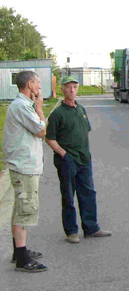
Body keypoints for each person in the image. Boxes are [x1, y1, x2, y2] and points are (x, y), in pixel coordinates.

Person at [45, 76, 111, 244]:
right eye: (69, 87)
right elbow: (49, 138)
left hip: (84, 159)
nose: (72, 90)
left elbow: (84, 131)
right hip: (67, 160)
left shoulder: (81, 109)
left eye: (75, 87)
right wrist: (63, 154)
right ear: (62, 89)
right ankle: (71, 231)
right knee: (68, 195)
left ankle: (91, 228)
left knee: (88, 193)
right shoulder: (57, 113)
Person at [2, 70, 48, 272]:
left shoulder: (21, 106)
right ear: (30, 85)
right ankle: (22, 258)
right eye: (37, 83)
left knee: (20, 208)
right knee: (25, 210)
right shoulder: (22, 106)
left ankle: (19, 251)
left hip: (24, 166)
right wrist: (39, 107)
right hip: (24, 167)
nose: (39, 87)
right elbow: (41, 130)